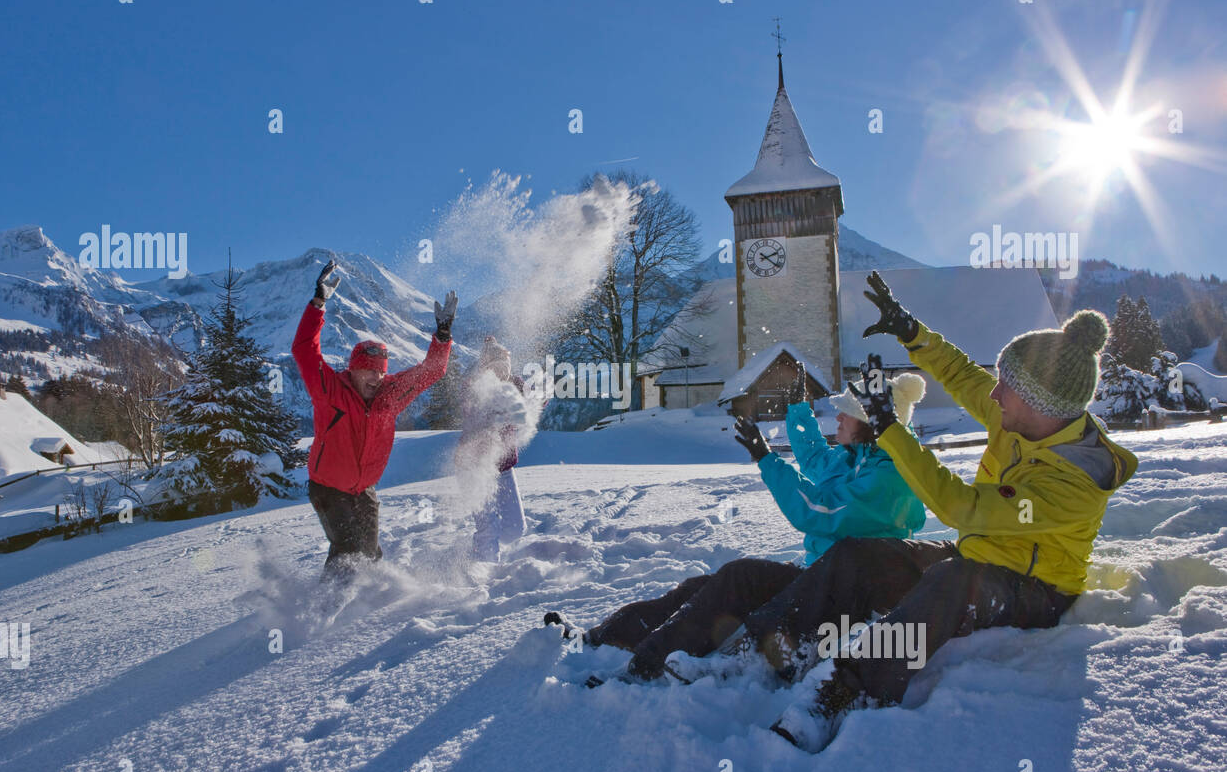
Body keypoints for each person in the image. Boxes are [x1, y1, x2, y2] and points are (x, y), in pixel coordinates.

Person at [770, 271, 1138, 752]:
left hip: (1036, 589)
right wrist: (910, 330)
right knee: (863, 553)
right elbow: (964, 374)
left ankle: (843, 692)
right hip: (978, 554)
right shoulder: (1018, 418)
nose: (992, 394)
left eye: (1005, 385)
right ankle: (774, 650)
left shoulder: (1074, 481)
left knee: (950, 583)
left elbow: (960, 506)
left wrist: (888, 428)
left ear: (1037, 401)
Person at [548, 360, 929, 681]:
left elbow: (816, 511)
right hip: (815, 576)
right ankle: (601, 637)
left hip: (837, 597)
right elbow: (815, 460)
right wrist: (799, 409)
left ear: (870, 423)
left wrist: (767, 460)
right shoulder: (856, 458)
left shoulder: (890, 478)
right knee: (702, 586)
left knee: (738, 578)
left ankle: (644, 664)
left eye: (848, 411)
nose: (840, 415)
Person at [292, 259, 457, 580]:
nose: (375, 378)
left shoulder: (391, 394)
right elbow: (303, 350)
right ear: (352, 368)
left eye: (381, 371)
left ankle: (367, 599)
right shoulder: (329, 388)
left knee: (369, 550)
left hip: (363, 489)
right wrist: (317, 304)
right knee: (349, 550)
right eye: (368, 370)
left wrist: (443, 336)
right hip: (328, 488)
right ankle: (322, 610)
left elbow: (432, 371)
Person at [455, 336, 545, 562]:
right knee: (488, 529)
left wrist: (541, 394)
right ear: (485, 368)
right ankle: (484, 571)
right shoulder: (476, 387)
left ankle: (480, 550)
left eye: (505, 367)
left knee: (515, 528)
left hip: (504, 467)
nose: (501, 373)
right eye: (495, 367)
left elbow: (532, 403)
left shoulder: (515, 384)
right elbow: (469, 408)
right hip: (474, 469)